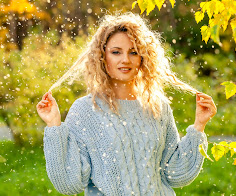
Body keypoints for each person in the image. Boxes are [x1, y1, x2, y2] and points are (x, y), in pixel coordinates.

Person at [36, 12, 217, 195]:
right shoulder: (85, 111)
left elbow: (176, 174)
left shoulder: (158, 106)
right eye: (116, 52)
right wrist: (54, 125)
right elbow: (69, 184)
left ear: (143, 58)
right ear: (102, 56)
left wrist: (199, 125)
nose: (125, 60)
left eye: (134, 52)